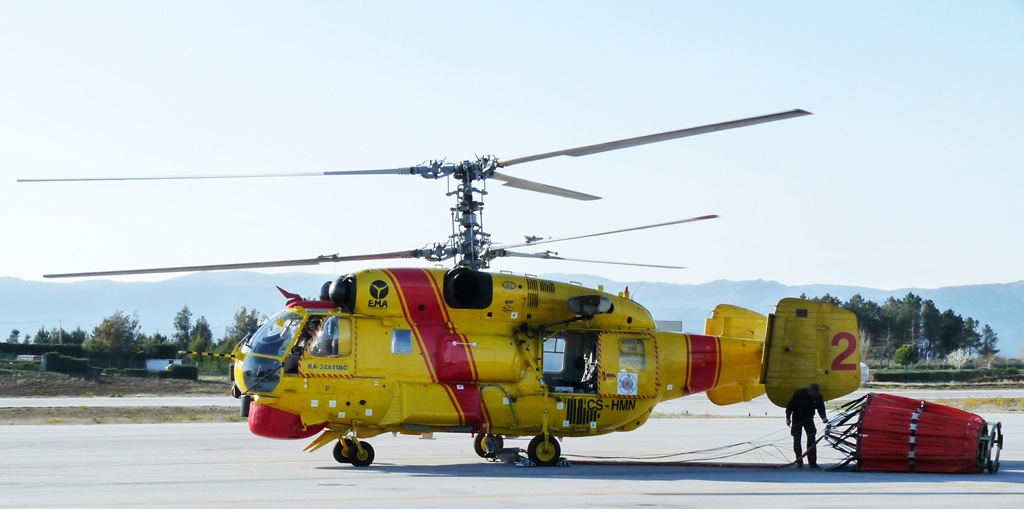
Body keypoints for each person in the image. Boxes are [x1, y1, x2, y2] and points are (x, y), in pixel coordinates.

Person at [785, 382, 827, 468]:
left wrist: (823, 418)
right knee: (797, 439)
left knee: (812, 439)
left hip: (809, 419)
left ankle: (812, 462)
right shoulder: (799, 393)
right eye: (813, 394)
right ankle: (799, 460)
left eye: (816, 394)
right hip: (797, 418)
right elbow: (790, 406)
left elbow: (821, 408)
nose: (814, 396)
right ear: (809, 391)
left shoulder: (818, 396)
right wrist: (788, 418)